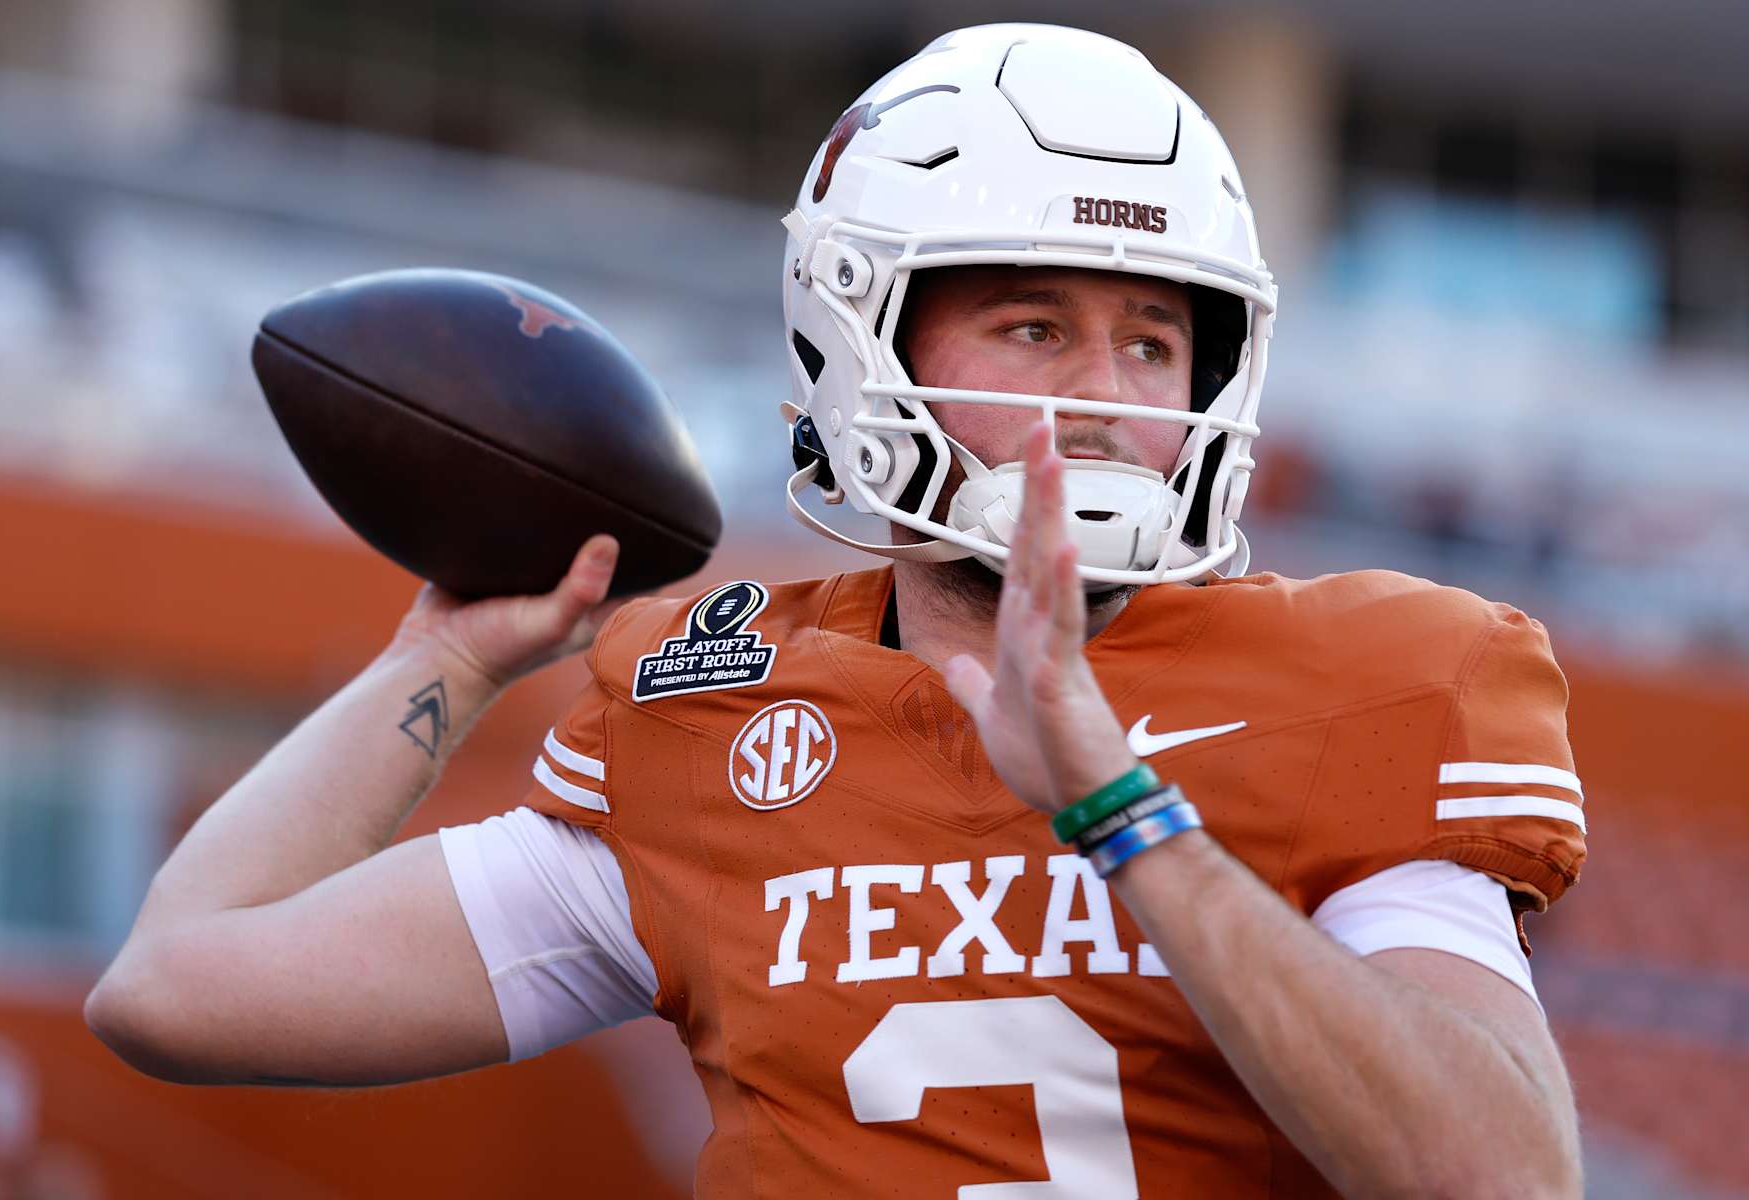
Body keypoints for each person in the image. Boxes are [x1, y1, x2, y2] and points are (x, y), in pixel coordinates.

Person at [85, 24, 1585, 1198]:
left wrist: (1119, 805)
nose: (1111, 401)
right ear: (863, 347)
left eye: (1151, 341)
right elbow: (177, 985)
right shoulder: (716, 717)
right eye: (1033, 329)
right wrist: (447, 658)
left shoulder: (1375, 683)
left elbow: (1496, 1176)